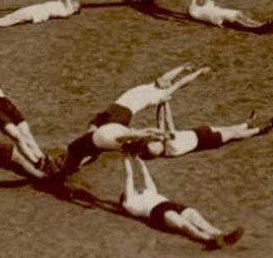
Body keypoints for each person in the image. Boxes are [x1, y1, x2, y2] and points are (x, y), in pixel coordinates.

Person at [56, 65, 211, 177]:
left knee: (93, 141)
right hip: (113, 110)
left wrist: (198, 72)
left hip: (120, 115)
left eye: (168, 84)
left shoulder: (162, 95)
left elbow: (180, 83)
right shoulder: (154, 85)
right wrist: (182, 67)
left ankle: (69, 165)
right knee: (90, 136)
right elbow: (167, 77)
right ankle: (71, 162)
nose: (166, 81)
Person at [119, 153, 243, 248]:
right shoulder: (129, 202)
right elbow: (128, 177)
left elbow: (145, 175)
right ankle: (209, 240)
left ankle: (221, 235)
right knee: (184, 225)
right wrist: (125, 157)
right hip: (156, 211)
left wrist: (136, 158)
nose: (135, 189)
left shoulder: (149, 192)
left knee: (195, 216)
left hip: (169, 204)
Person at [137, 112, 273, 158]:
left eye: (152, 144)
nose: (155, 144)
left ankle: (247, 124)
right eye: (153, 147)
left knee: (228, 128)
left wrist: (161, 106)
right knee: (234, 134)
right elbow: (168, 122)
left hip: (198, 132)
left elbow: (160, 122)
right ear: (156, 153)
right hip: (205, 141)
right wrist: (165, 103)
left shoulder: (164, 143)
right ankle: (260, 130)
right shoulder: (170, 146)